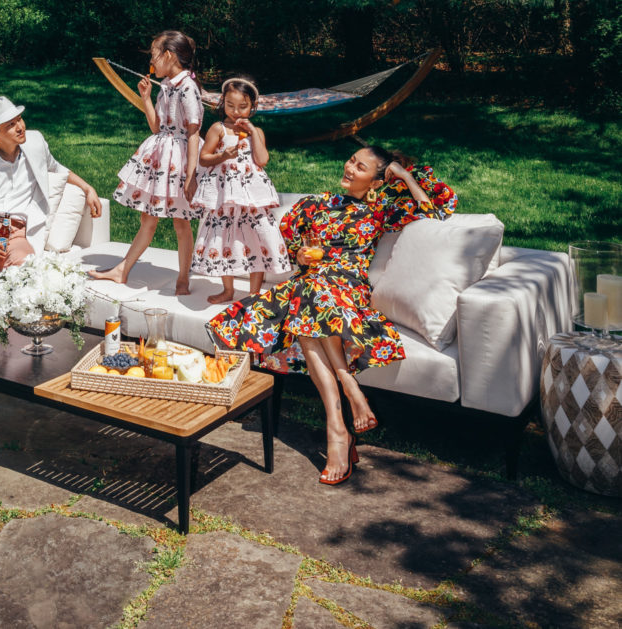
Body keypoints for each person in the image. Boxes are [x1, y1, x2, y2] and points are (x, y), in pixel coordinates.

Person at [208, 145, 456, 486]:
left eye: (361, 167)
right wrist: (302, 257)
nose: (350, 168)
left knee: (309, 298)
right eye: (351, 160)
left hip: (347, 292)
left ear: (375, 180)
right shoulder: (318, 203)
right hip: (309, 287)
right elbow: (287, 242)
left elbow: (437, 210)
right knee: (309, 291)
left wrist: (404, 176)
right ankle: (342, 412)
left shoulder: (381, 208)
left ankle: (340, 421)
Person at [0, 95, 102, 337]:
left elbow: (56, 168)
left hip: (18, 234)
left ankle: (21, 337)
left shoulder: (35, 143)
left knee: (27, 269)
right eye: (10, 124)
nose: (20, 127)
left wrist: (87, 188)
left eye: (19, 119)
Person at [89, 29, 202, 295]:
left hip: (178, 160)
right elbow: (156, 127)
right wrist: (146, 98)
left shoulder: (187, 87)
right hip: (160, 157)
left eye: (154, 55)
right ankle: (122, 270)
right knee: (147, 218)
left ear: (169, 55)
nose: (151, 61)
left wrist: (191, 175)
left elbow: (194, 132)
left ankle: (184, 278)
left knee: (180, 221)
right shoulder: (166, 86)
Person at [191, 77, 290, 304]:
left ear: (252, 107)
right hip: (226, 196)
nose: (236, 112)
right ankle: (228, 290)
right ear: (222, 103)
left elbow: (262, 160)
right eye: (230, 105)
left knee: (256, 239)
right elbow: (204, 159)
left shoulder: (258, 132)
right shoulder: (218, 129)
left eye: (242, 107)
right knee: (225, 239)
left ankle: (254, 294)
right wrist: (223, 156)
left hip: (251, 198)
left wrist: (253, 132)